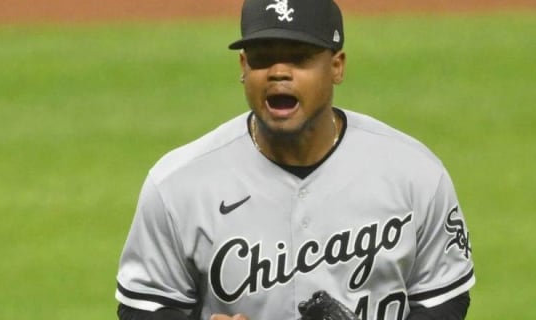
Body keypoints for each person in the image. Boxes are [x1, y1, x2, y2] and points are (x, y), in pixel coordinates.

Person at [115, 0, 475, 319]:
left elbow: (443, 297)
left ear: (336, 66)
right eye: (262, 57)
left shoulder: (413, 173)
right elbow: (144, 305)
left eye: (299, 57)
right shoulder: (179, 183)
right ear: (243, 66)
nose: (278, 72)